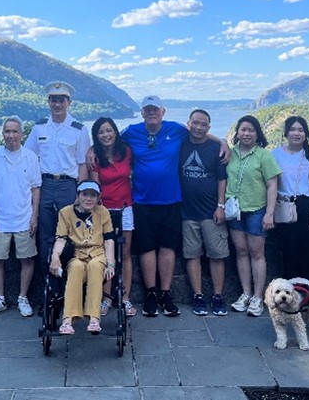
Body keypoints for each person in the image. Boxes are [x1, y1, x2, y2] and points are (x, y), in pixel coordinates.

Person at [120, 95, 229, 317]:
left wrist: (224, 142)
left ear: (163, 112)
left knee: (168, 248)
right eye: (147, 110)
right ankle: (150, 293)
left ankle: (165, 293)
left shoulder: (176, 129)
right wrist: (93, 151)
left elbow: (200, 132)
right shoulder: (131, 131)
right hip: (142, 201)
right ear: (142, 113)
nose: (152, 113)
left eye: (155, 110)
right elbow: (109, 141)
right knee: (147, 248)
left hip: (171, 201)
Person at [25, 81, 90, 266]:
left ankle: (68, 283)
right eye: (54, 100)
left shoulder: (79, 129)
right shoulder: (40, 127)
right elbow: (28, 157)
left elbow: (82, 164)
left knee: (69, 233)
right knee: (45, 235)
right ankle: (48, 285)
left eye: (61, 100)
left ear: (69, 102)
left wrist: (80, 193)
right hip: (44, 186)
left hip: (68, 187)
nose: (57, 104)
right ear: (49, 102)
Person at [0, 116, 42, 318]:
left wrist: (35, 215)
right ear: (3, 134)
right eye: (7, 131)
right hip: (0, 218)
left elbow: (35, 189)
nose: (11, 135)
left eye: (15, 131)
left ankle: (22, 297)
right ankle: (0, 298)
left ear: (22, 134)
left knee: (27, 259)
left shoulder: (31, 157)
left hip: (24, 217)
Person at [226, 115, 281, 318]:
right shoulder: (229, 154)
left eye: (251, 130)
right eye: (243, 130)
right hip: (234, 211)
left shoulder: (263, 156)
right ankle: (246, 293)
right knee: (240, 251)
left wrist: (269, 213)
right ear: (237, 132)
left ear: (257, 133)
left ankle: (258, 296)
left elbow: (272, 184)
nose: (246, 133)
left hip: (256, 209)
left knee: (256, 253)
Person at [179, 109, 229, 316]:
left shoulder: (216, 148)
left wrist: (221, 206)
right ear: (188, 123)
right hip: (186, 211)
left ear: (209, 127)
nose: (198, 128)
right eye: (195, 123)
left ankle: (217, 296)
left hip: (211, 211)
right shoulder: (180, 144)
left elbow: (221, 179)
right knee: (192, 255)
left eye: (203, 125)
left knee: (217, 255)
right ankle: (198, 296)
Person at [49, 180, 115, 334]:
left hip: (97, 254)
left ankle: (94, 318)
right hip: (75, 254)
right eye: (85, 194)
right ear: (78, 196)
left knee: (94, 266)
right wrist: (55, 256)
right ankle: (67, 320)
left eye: (93, 195)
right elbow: (61, 238)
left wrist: (111, 264)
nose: (88, 199)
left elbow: (109, 240)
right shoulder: (65, 213)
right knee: (76, 267)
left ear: (98, 198)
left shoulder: (103, 212)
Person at [89, 117, 136, 317]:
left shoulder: (126, 151)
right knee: (105, 255)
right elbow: (95, 187)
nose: (106, 135)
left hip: (126, 207)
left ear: (115, 132)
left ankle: (125, 297)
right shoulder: (94, 157)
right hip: (104, 210)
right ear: (96, 136)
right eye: (101, 132)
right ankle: (106, 298)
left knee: (125, 254)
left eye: (109, 130)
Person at [272, 116, 309, 285]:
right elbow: (271, 184)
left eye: (301, 130)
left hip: (308, 206)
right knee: (288, 253)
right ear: (286, 132)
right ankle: (290, 295)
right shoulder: (275, 154)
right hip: (285, 206)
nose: (296, 133)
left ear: (306, 133)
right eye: (293, 129)